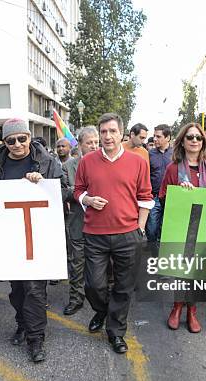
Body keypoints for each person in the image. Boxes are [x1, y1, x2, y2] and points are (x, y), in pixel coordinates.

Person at [0, 118, 62, 362]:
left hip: (39, 236)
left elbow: (65, 191)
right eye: (10, 140)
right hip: (10, 237)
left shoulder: (48, 162)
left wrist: (44, 184)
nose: (17, 144)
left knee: (35, 290)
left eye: (21, 138)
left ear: (29, 136)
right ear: (4, 142)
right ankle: (22, 323)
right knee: (17, 290)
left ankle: (36, 339)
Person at [73, 113, 153, 354]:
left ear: (122, 133)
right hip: (95, 234)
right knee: (94, 285)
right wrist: (87, 198)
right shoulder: (87, 161)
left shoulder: (138, 162)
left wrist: (139, 228)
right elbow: (78, 190)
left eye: (112, 131)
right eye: (103, 132)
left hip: (128, 234)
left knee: (123, 286)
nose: (107, 136)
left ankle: (116, 332)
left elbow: (146, 197)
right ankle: (103, 310)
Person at [159, 123, 206, 333]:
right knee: (180, 271)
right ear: (182, 141)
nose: (195, 141)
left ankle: (192, 310)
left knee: (198, 271)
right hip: (182, 227)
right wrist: (179, 193)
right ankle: (177, 306)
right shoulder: (173, 168)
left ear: (203, 142)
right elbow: (162, 199)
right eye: (190, 137)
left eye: (199, 138)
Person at [61, 126, 99, 315]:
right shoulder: (68, 166)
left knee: (101, 265)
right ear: (80, 145)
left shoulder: (106, 164)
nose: (93, 146)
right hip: (77, 221)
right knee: (76, 262)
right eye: (89, 143)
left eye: (96, 142)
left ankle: (101, 300)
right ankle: (76, 298)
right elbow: (63, 191)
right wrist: (82, 195)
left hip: (102, 224)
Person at [146, 124, 172, 243]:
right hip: (154, 197)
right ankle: (154, 255)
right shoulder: (149, 154)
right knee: (151, 230)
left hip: (171, 197)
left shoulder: (176, 154)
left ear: (167, 138)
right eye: (154, 136)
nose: (155, 139)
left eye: (158, 136)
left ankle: (162, 257)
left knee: (166, 230)